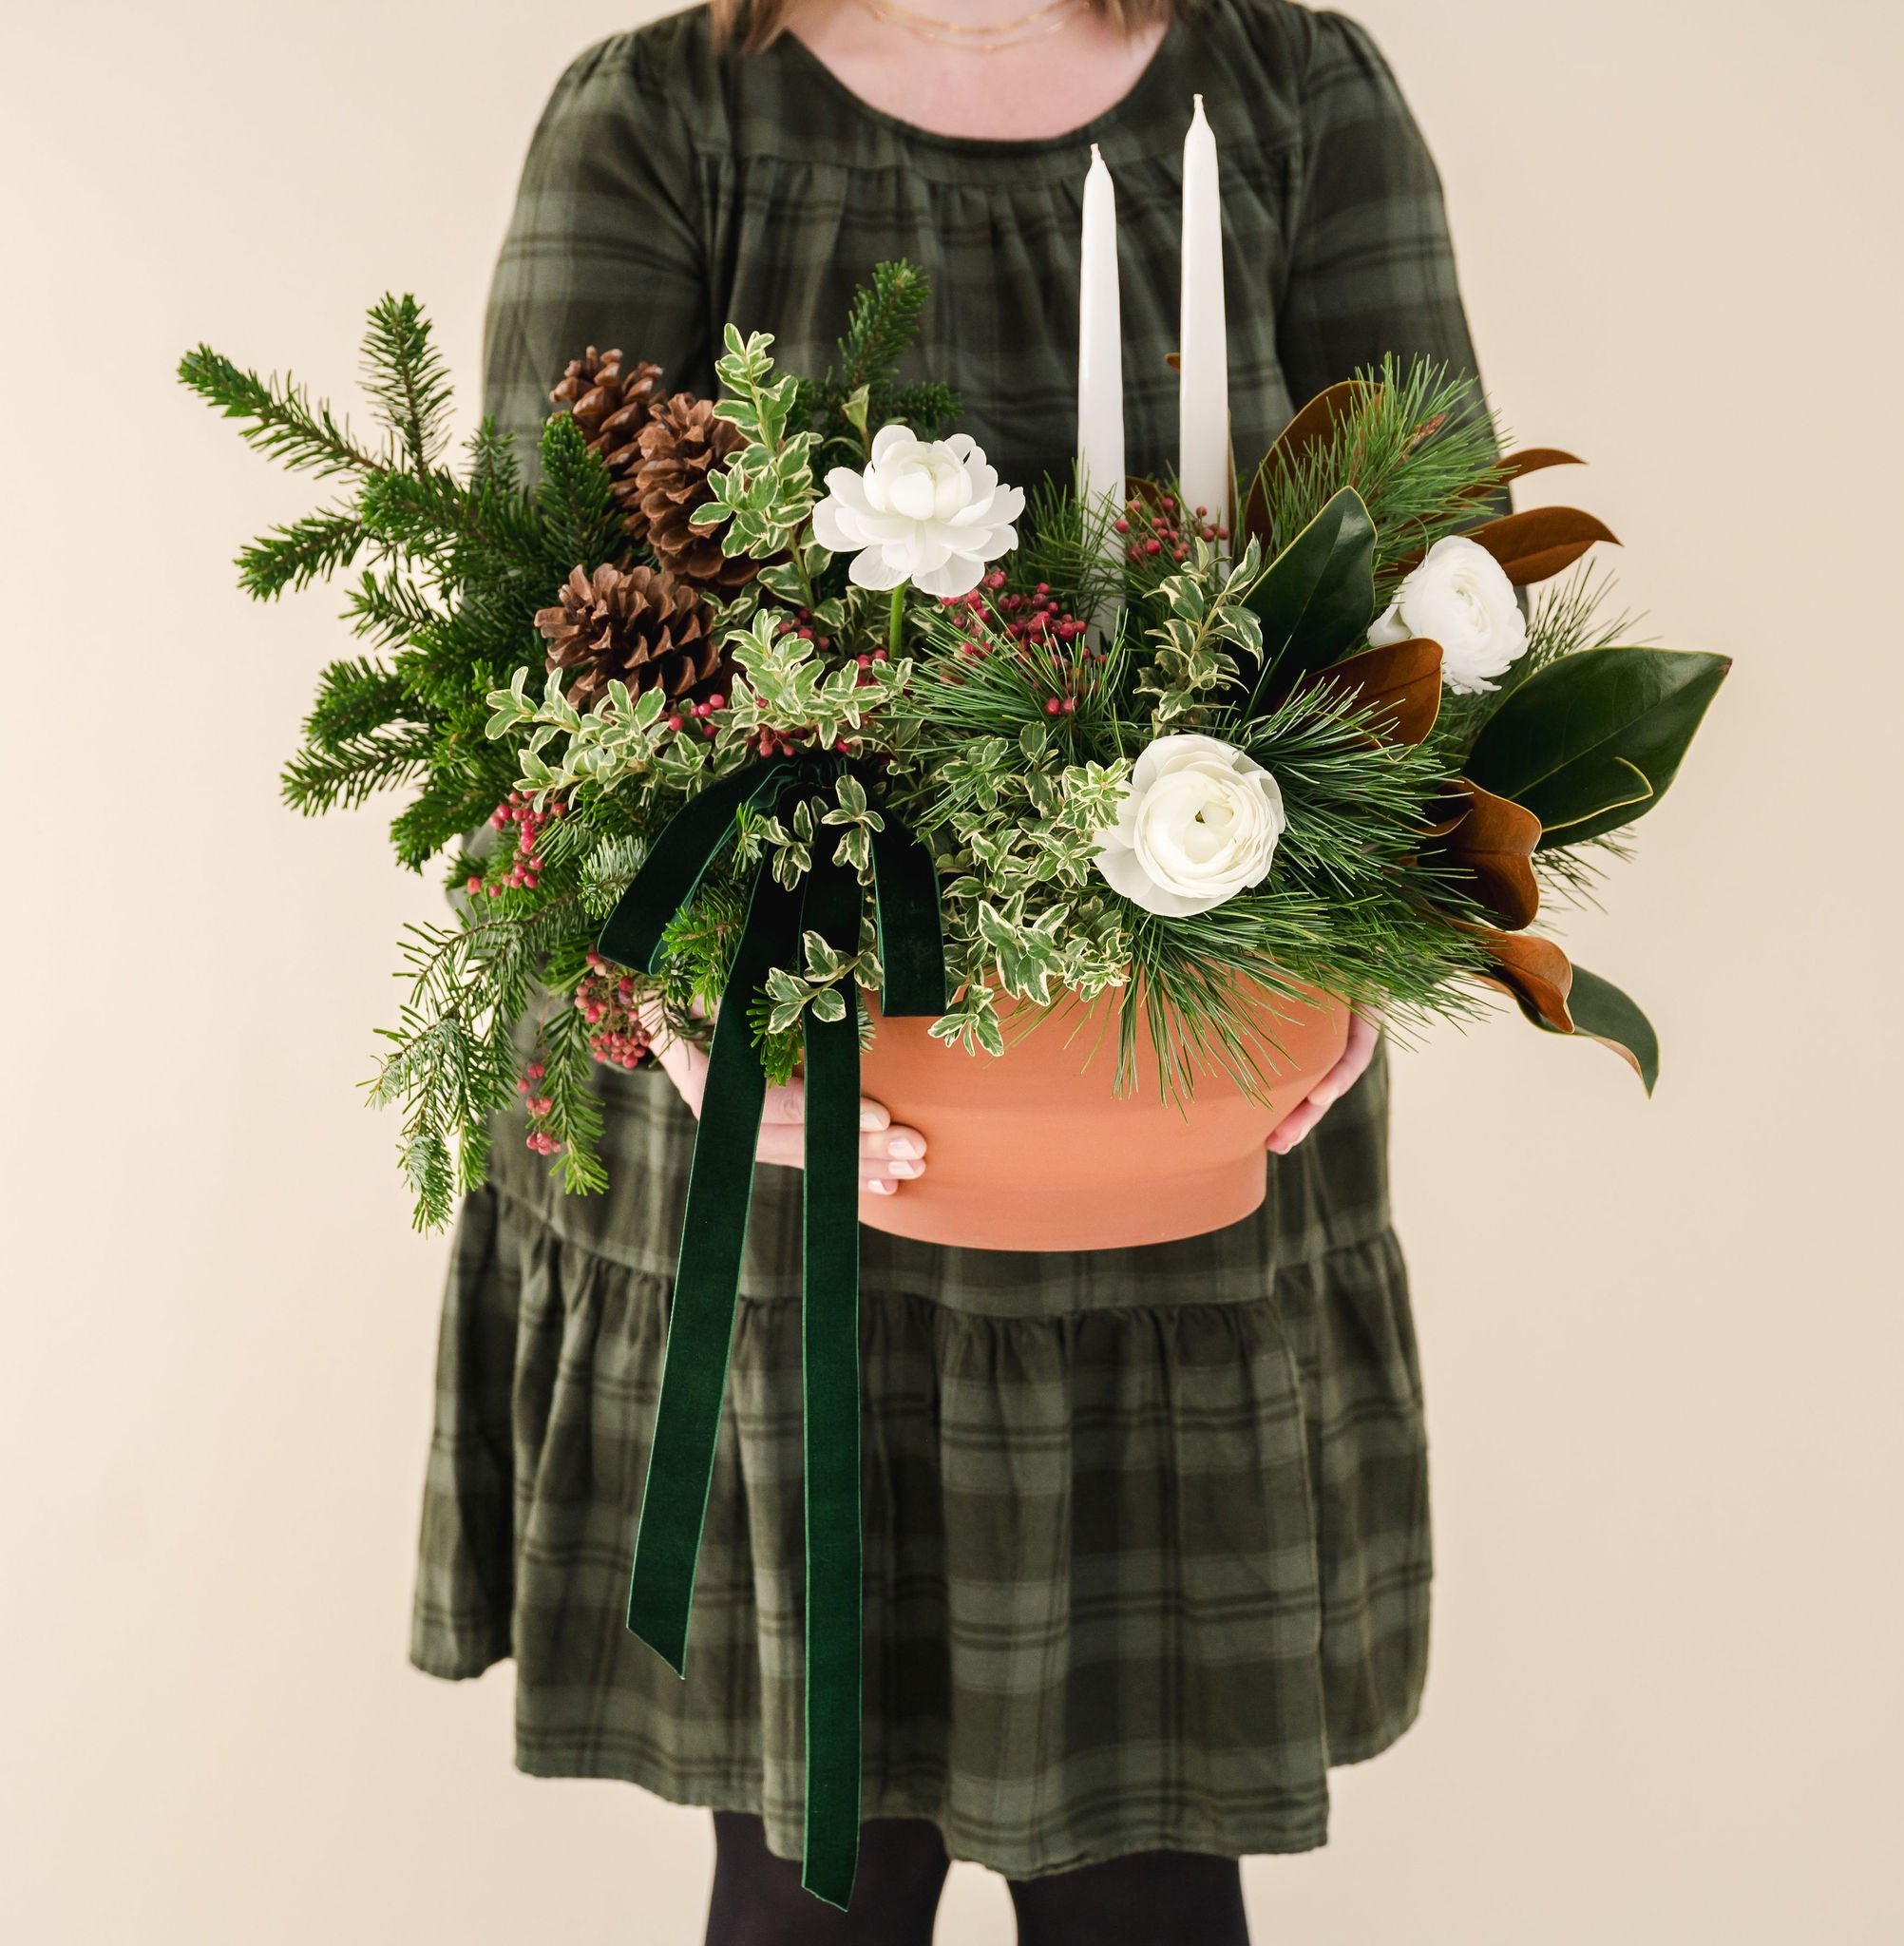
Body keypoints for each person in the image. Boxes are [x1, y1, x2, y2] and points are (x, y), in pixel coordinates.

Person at [411, 2, 1489, 1937]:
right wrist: (688, 1021)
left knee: (1156, 1868)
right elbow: (531, 653)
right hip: (784, 1170)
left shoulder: (1295, 96)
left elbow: (1435, 594)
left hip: (1176, 1157)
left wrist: (1360, 950)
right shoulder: (665, 119)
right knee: (809, 1870)